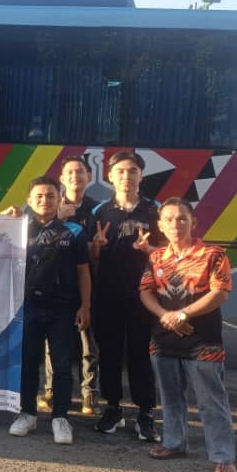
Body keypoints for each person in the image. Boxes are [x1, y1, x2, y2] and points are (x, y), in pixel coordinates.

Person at [139, 198, 237, 472]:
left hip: (203, 342)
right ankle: (174, 443)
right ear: (160, 225)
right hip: (163, 340)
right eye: (169, 219)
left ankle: (223, 456)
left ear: (193, 222)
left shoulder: (213, 255)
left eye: (182, 218)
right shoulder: (156, 257)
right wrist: (165, 316)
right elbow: (145, 292)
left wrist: (182, 314)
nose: (175, 225)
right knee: (170, 398)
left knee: (211, 401)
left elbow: (220, 293)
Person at [8, 176, 92, 445]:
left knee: (62, 364)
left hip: (63, 308)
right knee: (28, 363)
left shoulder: (74, 231)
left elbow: (83, 271)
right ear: (30, 200)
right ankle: (27, 413)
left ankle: (60, 417)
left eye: (51, 196)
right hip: (28, 308)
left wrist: (85, 305)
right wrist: (3, 219)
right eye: (39, 196)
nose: (45, 200)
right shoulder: (18, 228)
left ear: (59, 199)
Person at [90, 150, 163, 441]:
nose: (126, 176)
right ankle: (113, 408)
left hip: (143, 296)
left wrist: (150, 250)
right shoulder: (99, 212)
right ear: (110, 176)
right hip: (107, 294)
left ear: (141, 176)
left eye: (133, 170)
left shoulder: (155, 210)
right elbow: (89, 258)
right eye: (120, 171)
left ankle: (145, 412)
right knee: (108, 353)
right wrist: (97, 246)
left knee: (140, 354)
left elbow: (170, 254)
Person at [40, 156, 100, 416]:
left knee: (89, 342)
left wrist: (97, 247)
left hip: (88, 283)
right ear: (62, 178)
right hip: (56, 286)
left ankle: (89, 392)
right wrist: (57, 219)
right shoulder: (51, 205)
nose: (76, 176)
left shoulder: (98, 210)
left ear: (90, 176)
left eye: (81, 171)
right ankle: (50, 389)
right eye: (70, 172)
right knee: (53, 344)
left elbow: (93, 254)